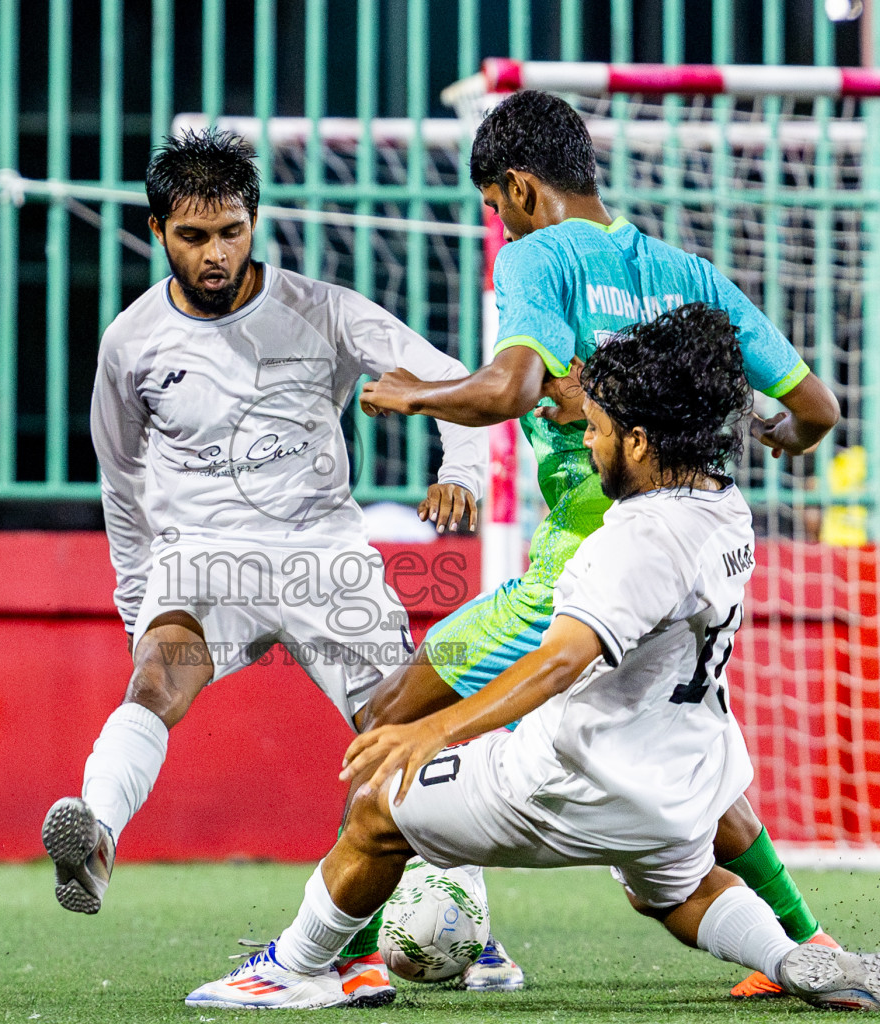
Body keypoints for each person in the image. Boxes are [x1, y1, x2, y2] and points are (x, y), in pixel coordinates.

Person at [185, 304, 880, 1013]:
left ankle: (296, 969)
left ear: (639, 442)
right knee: (673, 892)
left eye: (601, 431)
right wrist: (578, 395)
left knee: (380, 804)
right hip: (682, 785)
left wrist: (432, 732)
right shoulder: (722, 503)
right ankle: (790, 959)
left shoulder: (636, 542)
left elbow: (557, 662)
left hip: (576, 778)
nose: (591, 444)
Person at [354, 89, 844, 997]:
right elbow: (816, 410)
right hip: (699, 554)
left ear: (520, 186)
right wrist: (776, 435)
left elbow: (508, 389)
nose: (498, 224)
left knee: (386, 718)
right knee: (688, 777)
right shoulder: (692, 274)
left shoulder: (537, 256)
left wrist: (411, 393)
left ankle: (365, 951)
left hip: (587, 563)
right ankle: (809, 944)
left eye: (495, 206)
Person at [41, 129, 487, 1007]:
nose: (215, 254)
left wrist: (462, 472)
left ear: (255, 221)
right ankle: (96, 836)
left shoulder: (322, 311)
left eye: (231, 232)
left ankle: (440, 928)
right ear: (157, 230)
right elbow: (121, 485)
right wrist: (137, 606)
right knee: (154, 683)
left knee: (395, 733)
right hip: (203, 560)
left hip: (323, 556)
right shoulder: (131, 342)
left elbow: (448, 379)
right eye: (193, 236)